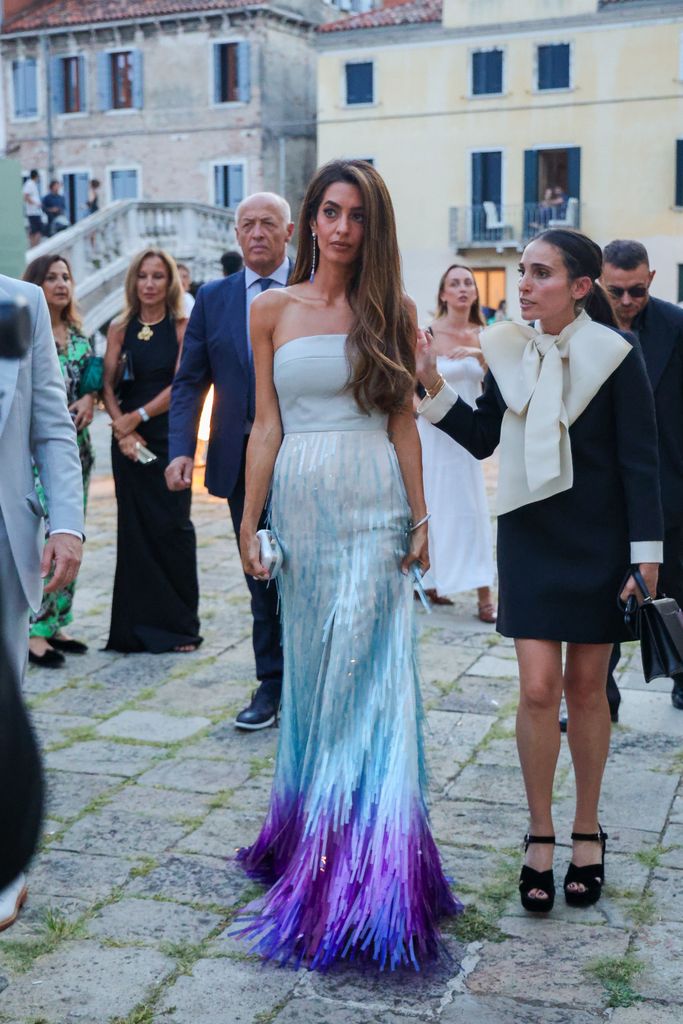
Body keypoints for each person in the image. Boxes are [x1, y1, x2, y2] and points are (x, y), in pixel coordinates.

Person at [236, 159, 460, 969]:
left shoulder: (392, 311)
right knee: (314, 670)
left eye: (355, 216)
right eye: (328, 212)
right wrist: (250, 522)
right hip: (301, 509)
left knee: (363, 673)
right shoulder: (269, 310)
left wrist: (422, 516)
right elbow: (265, 425)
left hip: (374, 505)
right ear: (309, 220)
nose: (339, 228)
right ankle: (307, 833)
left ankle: (365, 870)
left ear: (373, 228)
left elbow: (404, 423)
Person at [416, 228, 663, 914]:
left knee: (586, 688)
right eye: (521, 271)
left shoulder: (617, 355)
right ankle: (539, 833)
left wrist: (645, 559)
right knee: (534, 689)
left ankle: (587, 829)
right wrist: (429, 385)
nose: (521, 283)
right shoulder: (502, 351)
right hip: (527, 533)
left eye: (538, 273)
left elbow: (641, 465)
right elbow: (481, 437)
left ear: (580, 287)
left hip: (599, 542)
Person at [167, 194, 292, 730]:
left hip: (306, 456)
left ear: (289, 232)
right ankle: (271, 684)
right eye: (247, 224)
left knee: (312, 574)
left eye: (268, 223)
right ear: (236, 235)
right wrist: (180, 450)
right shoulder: (212, 299)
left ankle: (317, 682)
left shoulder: (312, 289)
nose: (257, 232)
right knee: (260, 572)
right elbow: (190, 380)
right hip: (240, 462)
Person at [0, 272, 84, 929]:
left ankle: (5, 869)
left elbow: (53, 429)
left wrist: (66, 525)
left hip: (5, 539)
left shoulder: (20, 304)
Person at [103, 248, 201, 653]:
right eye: (142, 276)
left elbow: (182, 384)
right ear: (133, 281)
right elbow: (107, 386)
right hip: (127, 443)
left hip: (166, 436)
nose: (149, 284)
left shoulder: (181, 326)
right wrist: (121, 428)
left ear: (169, 282)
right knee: (134, 533)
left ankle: (180, 627)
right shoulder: (120, 328)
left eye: (157, 276)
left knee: (173, 528)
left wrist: (138, 417)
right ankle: (135, 629)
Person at [601, 239, 683, 713]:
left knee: (677, 589)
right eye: (617, 291)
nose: (628, 301)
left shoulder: (676, 325)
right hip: (608, 489)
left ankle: (681, 676)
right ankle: (599, 694)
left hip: (672, 485)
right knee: (605, 597)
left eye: (637, 290)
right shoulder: (584, 327)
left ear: (651, 279)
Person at [22, 255, 96, 668]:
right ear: (37, 283)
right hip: (36, 457)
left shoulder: (81, 337)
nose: (61, 284)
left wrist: (89, 399)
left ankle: (57, 622)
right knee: (40, 541)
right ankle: (34, 629)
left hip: (79, 450)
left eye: (66, 276)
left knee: (71, 536)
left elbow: (93, 384)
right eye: (51, 277)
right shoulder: (23, 329)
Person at [416, 263, 496, 620]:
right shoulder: (427, 334)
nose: (462, 288)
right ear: (443, 293)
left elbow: (503, 382)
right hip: (433, 432)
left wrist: (481, 355)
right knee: (434, 505)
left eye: (468, 282)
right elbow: (407, 385)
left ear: (476, 293)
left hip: (469, 435)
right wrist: (422, 412)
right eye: (454, 283)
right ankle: (432, 579)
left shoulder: (487, 335)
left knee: (472, 509)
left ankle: (484, 594)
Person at [23, 170, 43, 247]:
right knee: (36, 230)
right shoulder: (29, 184)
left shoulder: (33, 184)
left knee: (36, 230)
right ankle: (34, 246)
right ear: (36, 176)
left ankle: (35, 245)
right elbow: (26, 196)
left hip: (36, 211)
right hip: (32, 211)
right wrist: (35, 204)